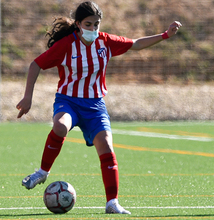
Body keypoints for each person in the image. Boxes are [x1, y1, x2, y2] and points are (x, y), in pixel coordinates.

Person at [17, 1, 181, 214]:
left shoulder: (105, 42)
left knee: (106, 147)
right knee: (60, 126)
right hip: (68, 100)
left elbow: (136, 43)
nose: (93, 29)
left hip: (95, 105)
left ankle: (112, 203)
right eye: (88, 24)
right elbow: (35, 64)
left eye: (96, 24)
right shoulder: (67, 45)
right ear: (77, 24)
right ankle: (42, 171)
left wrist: (165, 35)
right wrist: (27, 97)